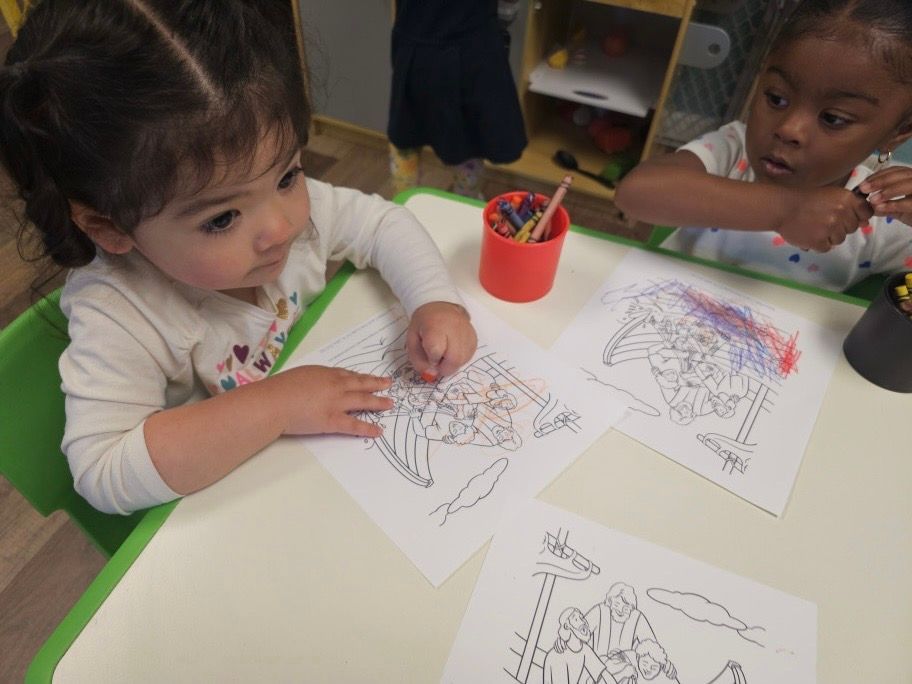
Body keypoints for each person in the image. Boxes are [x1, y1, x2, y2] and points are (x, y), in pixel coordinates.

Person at [0, 0, 477, 515]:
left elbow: (383, 224)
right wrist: (279, 404)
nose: (281, 227)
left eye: (288, 176)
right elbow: (103, 471)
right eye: (222, 219)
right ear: (111, 228)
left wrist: (434, 301)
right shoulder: (120, 310)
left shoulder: (272, 209)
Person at [615, 0, 912, 292]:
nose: (788, 129)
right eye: (776, 98)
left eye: (833, 118)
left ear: (898, 133)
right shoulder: (733, 151)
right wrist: (786, 210)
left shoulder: (883, 211)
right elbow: (634, 193)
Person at [387, 0, 527, 198]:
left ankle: (402, 204)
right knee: (468, 138)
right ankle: (465, 201)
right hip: (471, 47)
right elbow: (508, 7)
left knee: (405, 136)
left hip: (415, 44)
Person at [584, 583, 677, 680]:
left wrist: (666, 664)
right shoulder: (599, 611)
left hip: (625, 673)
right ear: (610, 601)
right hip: (599, 670)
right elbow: (579, 631)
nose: (621, 610)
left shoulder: (636, 617)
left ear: (632, 607)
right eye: (617, 604)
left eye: (626, 607)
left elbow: (652, 646)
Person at [542, 607, 616, 684]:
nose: (583, 622)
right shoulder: (558, 655)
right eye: (576, 619)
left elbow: (603, 674)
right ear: (567, 626)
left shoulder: (584, 649)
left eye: (582, 618)